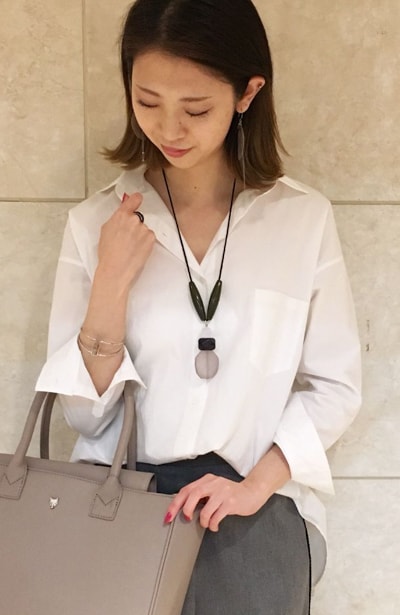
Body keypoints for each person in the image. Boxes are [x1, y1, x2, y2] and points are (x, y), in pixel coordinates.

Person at [36, 0, 362, 613]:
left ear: (247, 93)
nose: (169, 130)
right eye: (147, 101)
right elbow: (85, 417)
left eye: (196, 109)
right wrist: (111, 282)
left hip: (254, 512)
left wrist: (254, 486)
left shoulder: (301, 220)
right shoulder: (97, 221)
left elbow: (334, 387)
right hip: (120, 506)